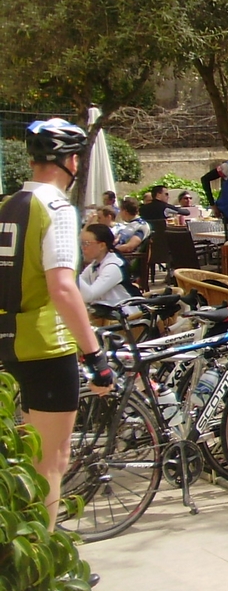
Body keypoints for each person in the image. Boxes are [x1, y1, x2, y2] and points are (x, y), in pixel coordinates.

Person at [0, 118, 114, 527]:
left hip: (9, 342)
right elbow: (63, 287)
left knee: (24, 457)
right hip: (47, 347)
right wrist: (95, 356)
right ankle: (41, 552)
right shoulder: (57, 209)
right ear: (72, 162)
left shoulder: (9, 205)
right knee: (51, 461)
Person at [77, 223, 133, 308]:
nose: (82, 247)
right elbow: (78, 285)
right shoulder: (95, 264)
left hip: (128, 313)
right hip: (107, 312)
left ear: (102, 246)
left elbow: (89, 296)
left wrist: (72, 271)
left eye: (86, 243)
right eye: (82, 243)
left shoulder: (113, 266)